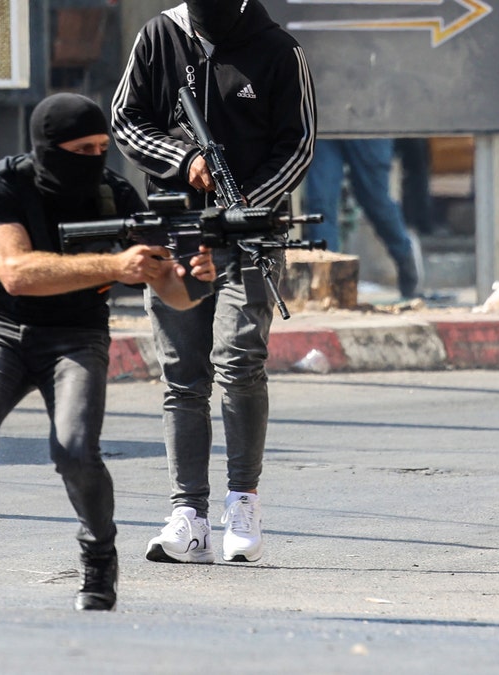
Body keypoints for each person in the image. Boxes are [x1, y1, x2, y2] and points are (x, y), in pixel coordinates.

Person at [0, 93, 217, 611]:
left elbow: (169, 290)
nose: (94, 158)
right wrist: (112, 266)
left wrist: (193, 280)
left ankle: (98, 555)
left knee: (75, 448)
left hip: (77, 335)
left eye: (102, 147)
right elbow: (16, 274)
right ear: (48, 147)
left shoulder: (116, 193)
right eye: (81, 148)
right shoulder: (1, 183)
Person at [110, 0, 316, 564]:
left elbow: (298, 146)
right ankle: (189, 514)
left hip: (252, 231)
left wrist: (248, 203)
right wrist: (185, 159)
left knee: (240, 357)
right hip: (177, 230)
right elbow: (126, 119)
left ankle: (242, 501)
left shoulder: (279, 50)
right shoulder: (159, 36)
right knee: (182, 369)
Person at [303, 138, 422, 299]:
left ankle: (406, 262)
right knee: (320, 205)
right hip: (323, 124)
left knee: (376, 201)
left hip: (368, 121)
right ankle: (327, 287)